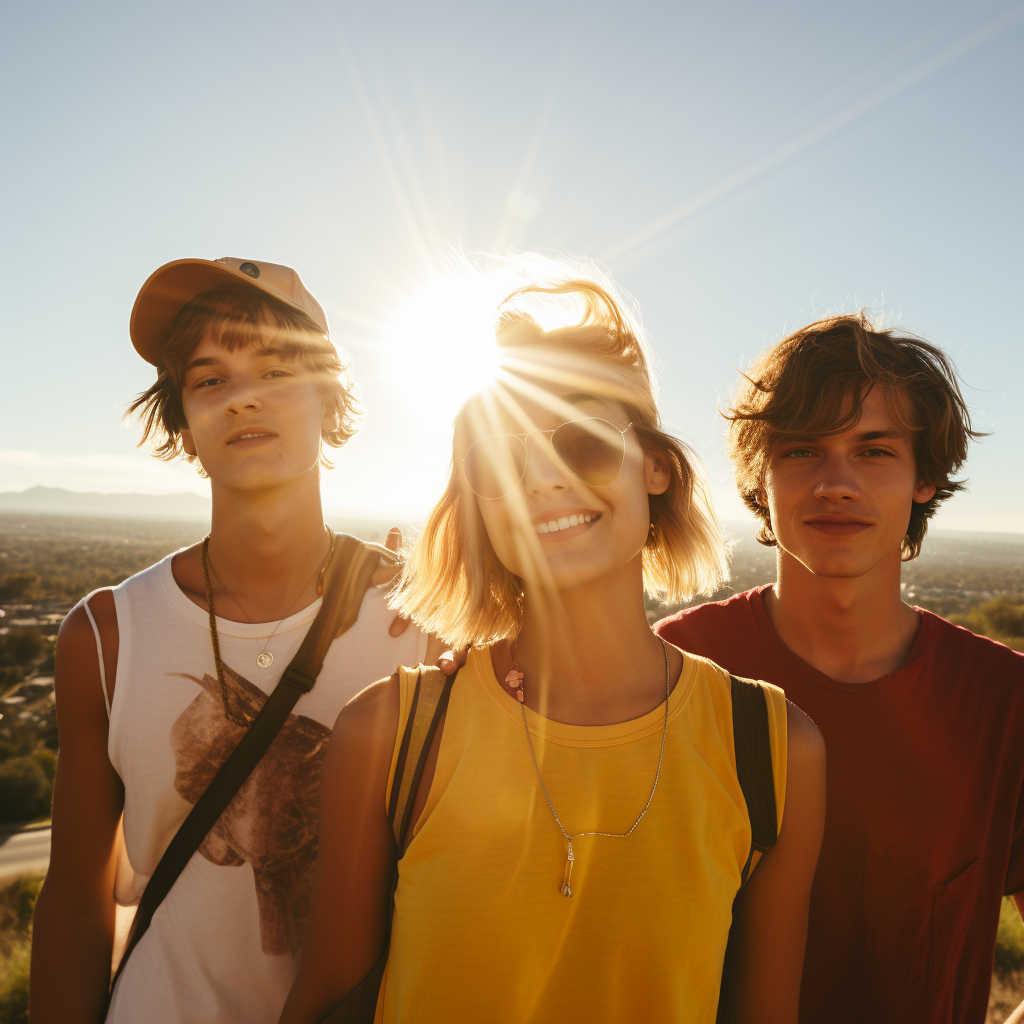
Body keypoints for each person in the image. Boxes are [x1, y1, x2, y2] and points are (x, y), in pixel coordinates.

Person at [279, 263, 826, 1024]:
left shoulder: (769, 748)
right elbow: (323, 1005)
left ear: (656, 466)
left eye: (585, 444)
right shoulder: (390, 735)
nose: (541, 480)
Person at [30, 258, 433, 1024]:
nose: (243, 393)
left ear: (329, 396)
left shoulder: (422, 617)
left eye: (277, 368)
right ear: (182, 419)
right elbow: (77, 903)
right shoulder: (106, 635)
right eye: (208, 379)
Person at [654, 312, 1024, 1024]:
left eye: (874, 452)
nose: (836, 483)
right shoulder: (672, 670)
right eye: (801, 452)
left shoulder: (1003, 701)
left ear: (924, 479)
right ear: (759, 480)